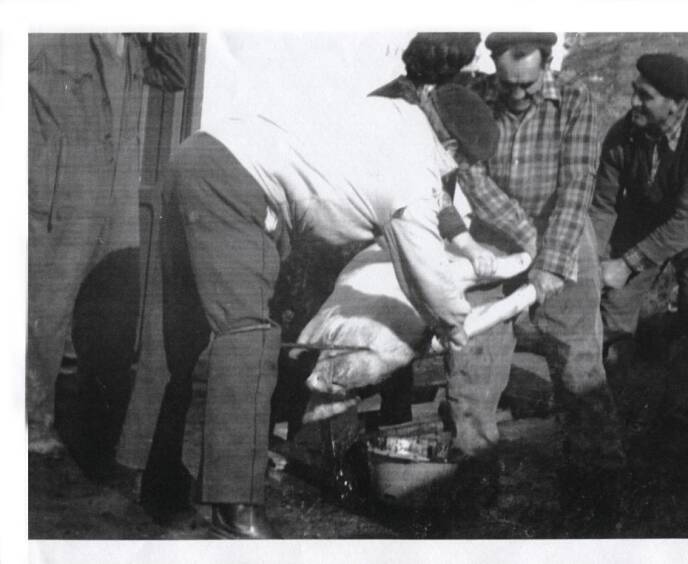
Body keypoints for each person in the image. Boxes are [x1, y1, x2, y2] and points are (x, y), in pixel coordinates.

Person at [122, 84, 500, 538]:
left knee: (176, 333)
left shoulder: (394, 116)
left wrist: (466, 243)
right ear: (452, 147)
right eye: (462, 163)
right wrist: (453, 326)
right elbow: (428, 277)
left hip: (196, 156)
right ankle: (234, 509)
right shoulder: (413, 174)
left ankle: (147, 471)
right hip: (234, 187)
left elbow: (431, 200)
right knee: (248, 339)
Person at [450, 32, 626, 531]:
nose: (518, 94)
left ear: (547, 63)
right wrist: (526, 238)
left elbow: (578, 185)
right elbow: (471, 175)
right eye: (508, 84)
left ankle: (596, 496)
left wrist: (550, 259)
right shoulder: (476, 98)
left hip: (565, 234)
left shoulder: (575, 98)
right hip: (495, 236)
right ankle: (475, 484)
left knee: (578, 368)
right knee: (472, 361)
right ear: (493, 65)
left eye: (527, 84)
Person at [27, 34, 187, 456]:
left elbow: (176, 74)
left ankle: (94, 423)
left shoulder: (132, 44)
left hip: (116, 202)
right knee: (45, 312)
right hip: (65, 195)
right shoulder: (53, 32)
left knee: (112, 315)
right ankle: (29, 421)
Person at [590, 53, 688, 439]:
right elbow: (604, 206)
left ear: (676, 103)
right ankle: (607, 402)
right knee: (616, 303)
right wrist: (595, 260)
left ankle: (683, 413)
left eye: (645, 96)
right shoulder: (622, 135)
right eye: (634, 92)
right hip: (647, 215)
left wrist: (626, 264)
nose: (633, 103)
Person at [369, 32, 494, 426]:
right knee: (380, 322)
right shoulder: (397, 111)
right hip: (377, 234)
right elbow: (413, 194)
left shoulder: (437, 105)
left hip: (412, 222)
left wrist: (465, 242)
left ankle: (393, 421)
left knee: (404, 322)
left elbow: (436, 194)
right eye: (466, 71)